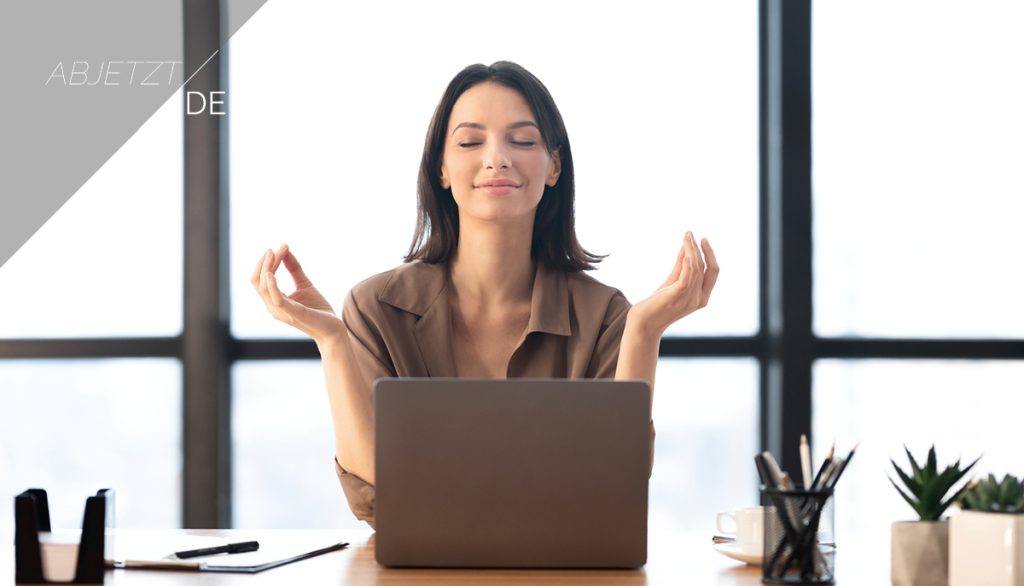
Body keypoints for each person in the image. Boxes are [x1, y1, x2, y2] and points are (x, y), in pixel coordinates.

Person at [251, 61, 719, 529]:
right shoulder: (377, 308)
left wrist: (644, 331)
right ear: (442, 169)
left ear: (554, 166)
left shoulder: (604, 315)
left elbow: (614, 496)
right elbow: (377, 496)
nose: (497, 158)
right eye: (470, 142)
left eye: (523, 140)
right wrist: (332, 343)